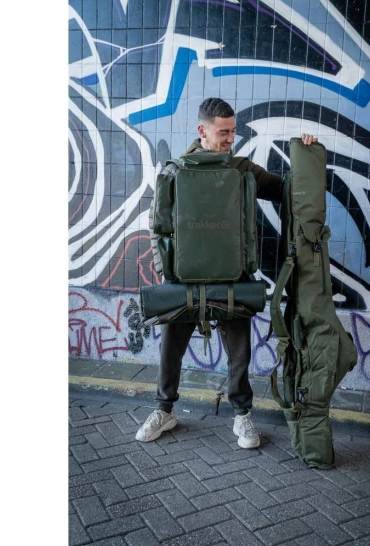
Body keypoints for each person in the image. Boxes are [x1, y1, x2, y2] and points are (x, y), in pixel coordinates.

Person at [136, 98, 318, 448]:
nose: (231, 138)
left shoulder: (241, 168)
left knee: (239, 352)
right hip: (184, 278)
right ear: (202, 130)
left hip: (233, 278)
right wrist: (165, 270)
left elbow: (287, 190)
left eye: (233, 131)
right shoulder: (175, 171)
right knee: (171, 348)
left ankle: (242, 415)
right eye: (223, 132)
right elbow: (157, 225)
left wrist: (306, 157)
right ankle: (164, 410)